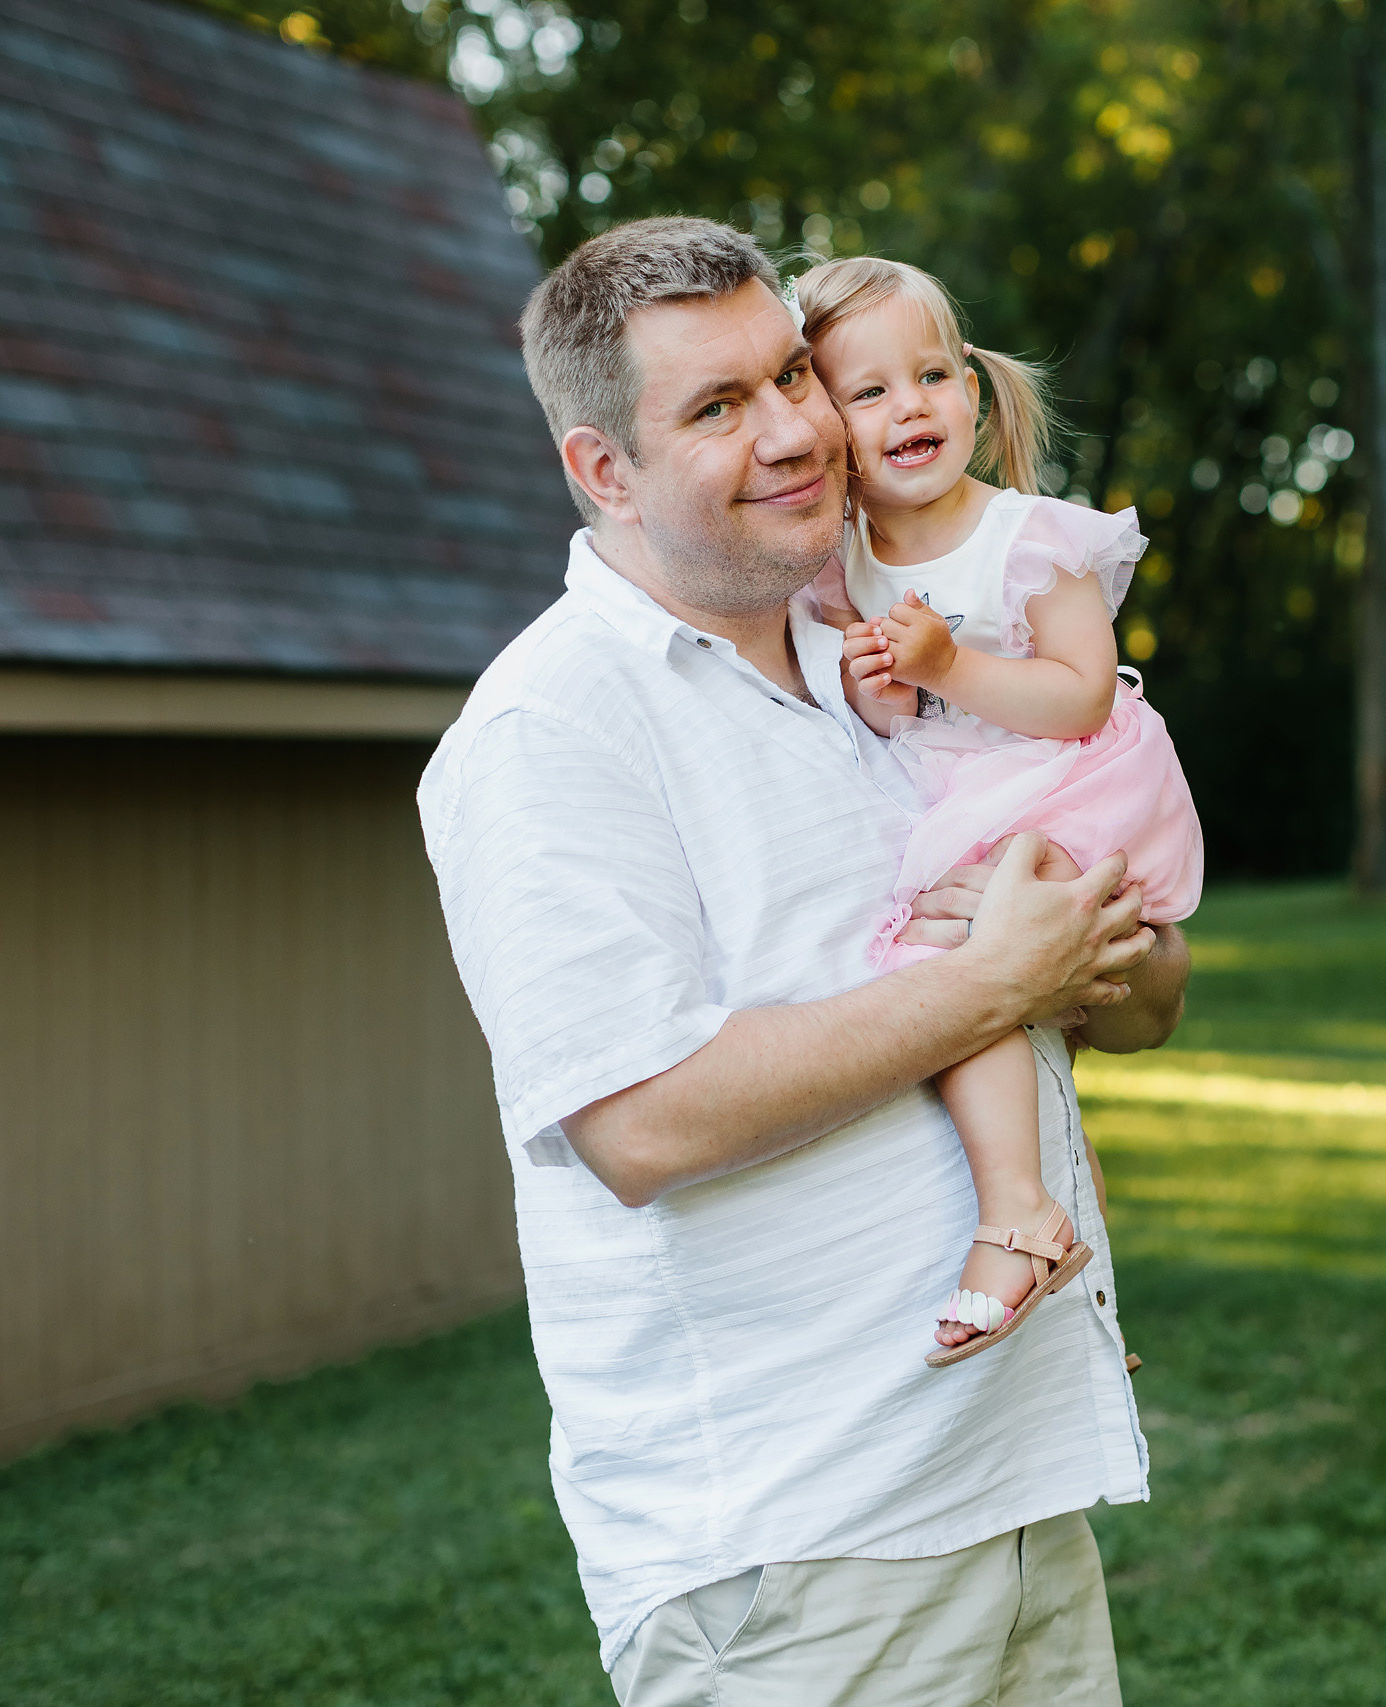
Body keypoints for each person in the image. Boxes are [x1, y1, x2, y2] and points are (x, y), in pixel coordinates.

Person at [416, 216, 1189, 1705]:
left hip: (1012, 1485)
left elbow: (1135, 994)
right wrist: (989, 983)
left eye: (791, 374)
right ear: (603, 470)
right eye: (716, 406)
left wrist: (1112, 960)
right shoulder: (553, 733)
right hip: (797, 1559)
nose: (794, 430)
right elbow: (639, 1123)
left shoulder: (884, 668)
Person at [793, 256, 1203, 1364]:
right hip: (967, 788)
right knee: (991, 1002)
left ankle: (1016, 1213)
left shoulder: (1031, 538)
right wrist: (882, 692)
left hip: (1071, 783)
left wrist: (948, 666)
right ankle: (1067, 1267)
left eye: (930, 375)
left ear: (974, 394)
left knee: (949, 961)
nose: (908, 405)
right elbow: (891, 722)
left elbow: (1076, 698)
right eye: (867, 391)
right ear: (825, 427)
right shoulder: (843, 566)